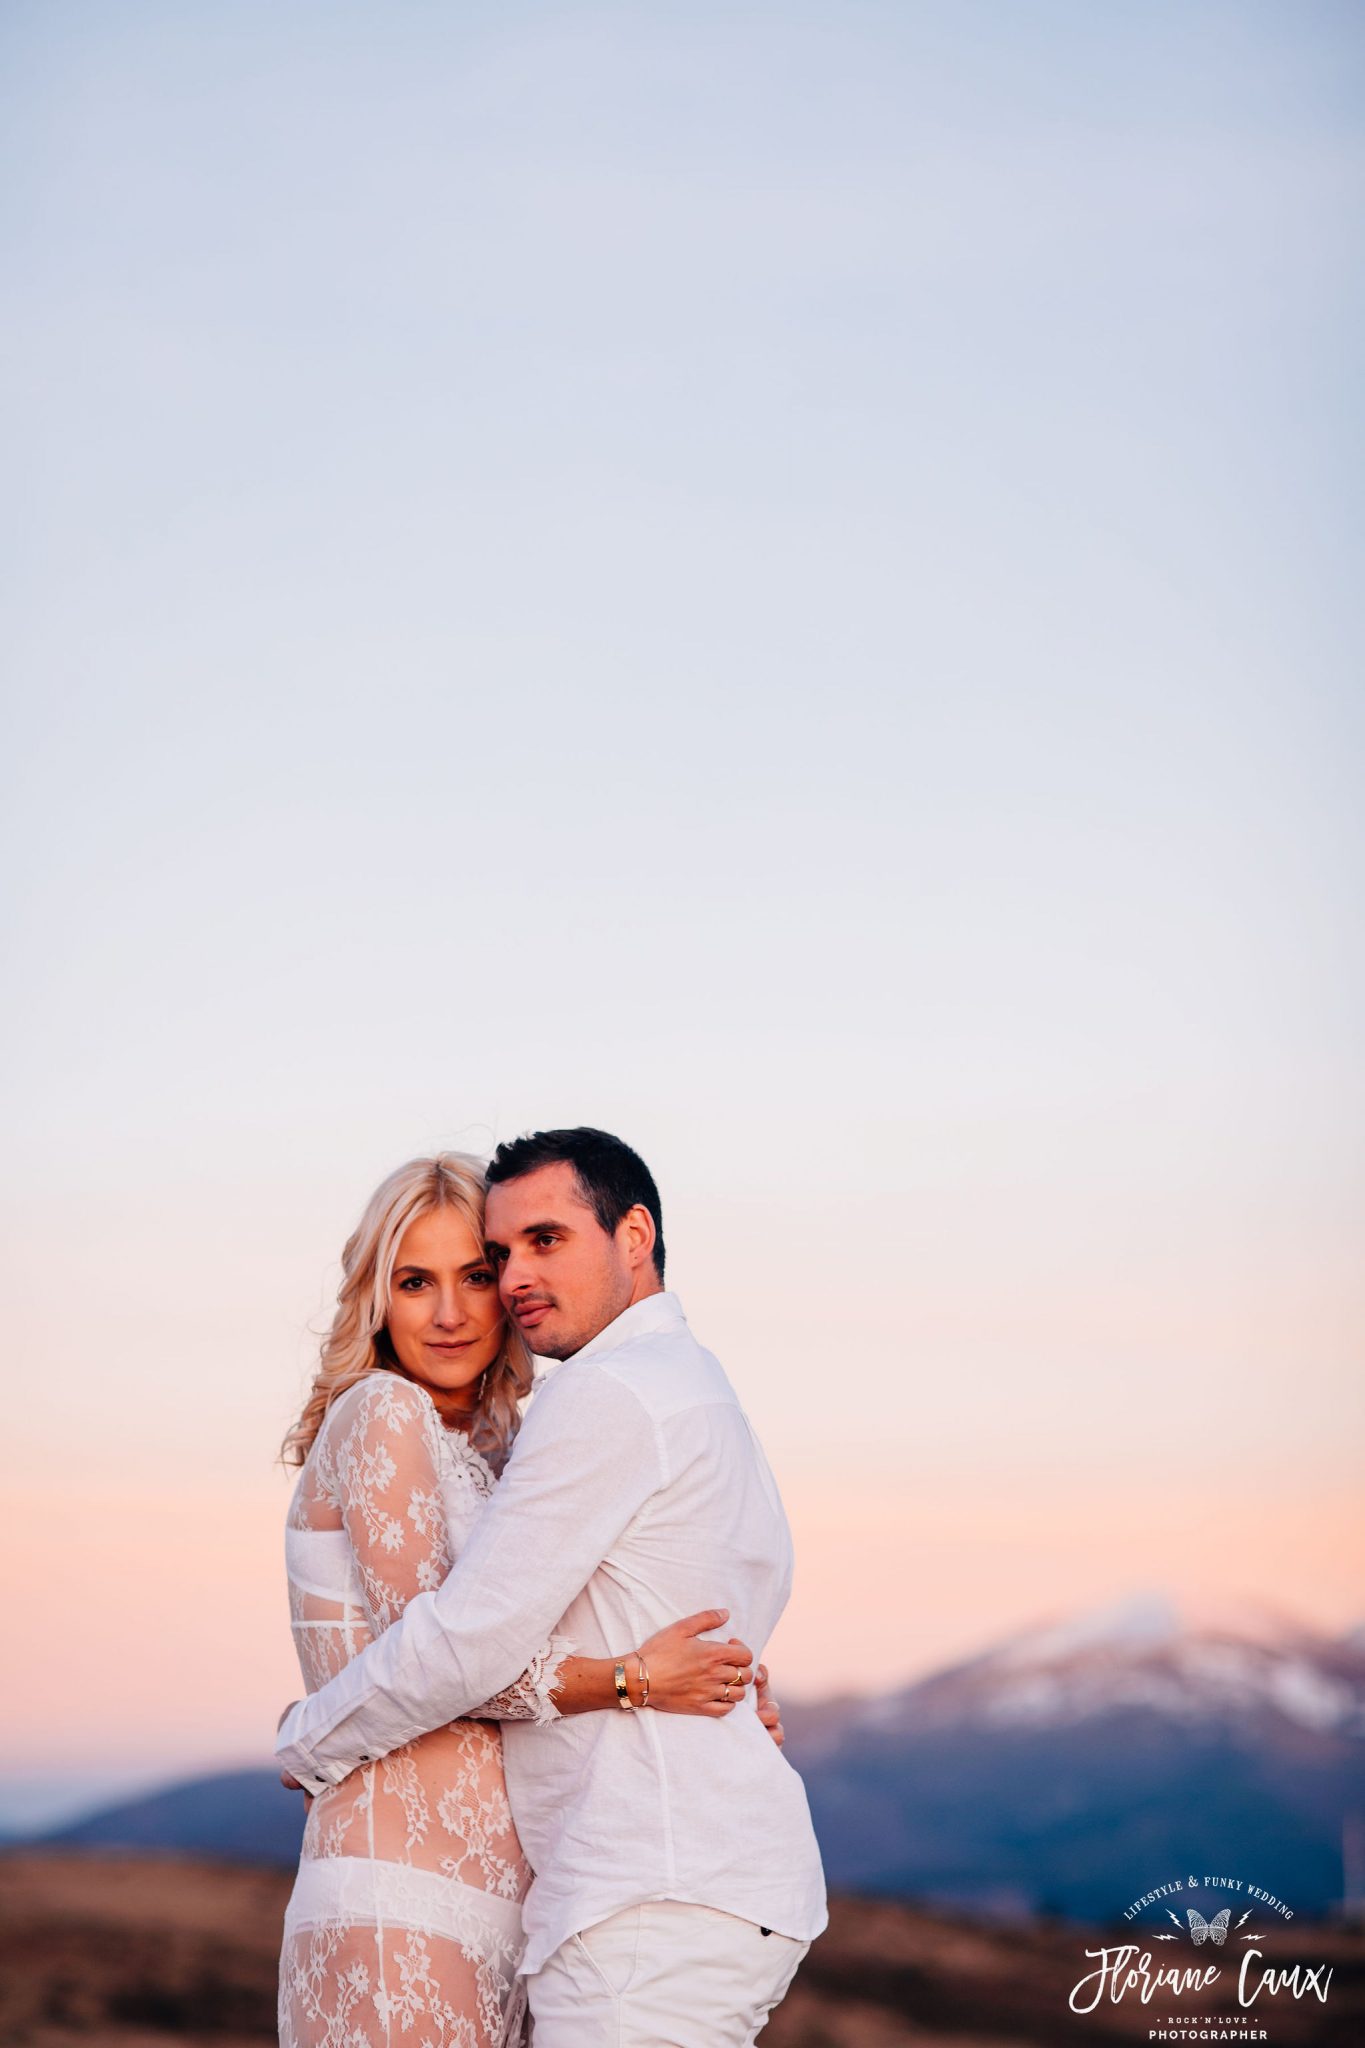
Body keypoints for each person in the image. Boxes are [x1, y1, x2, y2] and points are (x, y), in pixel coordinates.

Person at [278, 1128, 827, 2048]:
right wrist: (638, 1682)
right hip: (422, 1890)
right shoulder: (396, 1410)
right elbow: (457, 1649)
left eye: (497, 1264)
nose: (467, 1302)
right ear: (376, 1297)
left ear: (634, 1236)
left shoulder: (585, 1407)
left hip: (608, 1894)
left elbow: (465, 1648)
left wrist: (307, 1737)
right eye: (417, 1281)